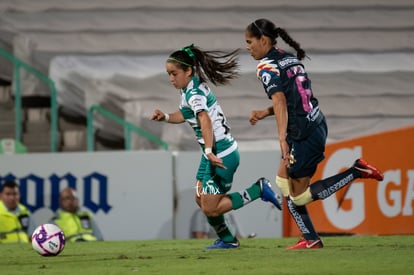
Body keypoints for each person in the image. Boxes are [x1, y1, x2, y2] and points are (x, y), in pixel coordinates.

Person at [245, 18, 384, 249]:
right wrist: (264, 112)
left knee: (299, 196)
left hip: (303, 132)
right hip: (312, 122)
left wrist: (281, 139)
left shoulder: (266, 66)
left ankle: (355, 171)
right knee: (282, 182)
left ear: (263, 40)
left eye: (250, 41)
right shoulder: (287, 57)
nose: (247, 47)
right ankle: (311, 238)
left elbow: (280, 100)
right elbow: (293, 99)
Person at [150, 44, 282, 249]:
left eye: (174, 73)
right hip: (211, 152)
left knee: (211, 208)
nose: (171, 79)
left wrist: (210, 151)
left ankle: (258, 190)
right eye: (169, 74)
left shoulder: (194, 93)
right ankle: (227, 240)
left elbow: (204, 119)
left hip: (221, 153)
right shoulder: (189, 89)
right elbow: (185, 115)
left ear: (188, 71)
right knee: (200, 198)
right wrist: (165, 117)